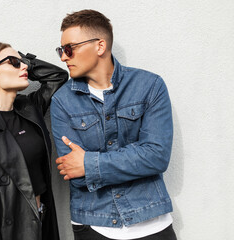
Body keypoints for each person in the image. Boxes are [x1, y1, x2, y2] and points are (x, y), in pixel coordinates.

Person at [51, 10, 177, 240]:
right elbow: (75, 173)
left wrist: (90, 162)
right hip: (93, 225)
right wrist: (134, 158)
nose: (63, 57)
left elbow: (157, 156)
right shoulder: (61, 101)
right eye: (61, 50)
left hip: (152, 223)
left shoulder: (150, 86)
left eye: (69, 49)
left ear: (100, 46)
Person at [0, 42, 68, 240]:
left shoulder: (29, 109)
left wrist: (25, 62)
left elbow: (57, 77)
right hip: (14, 232)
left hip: (44, 219)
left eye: (23, 62)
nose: (24, 66)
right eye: (14, 63)